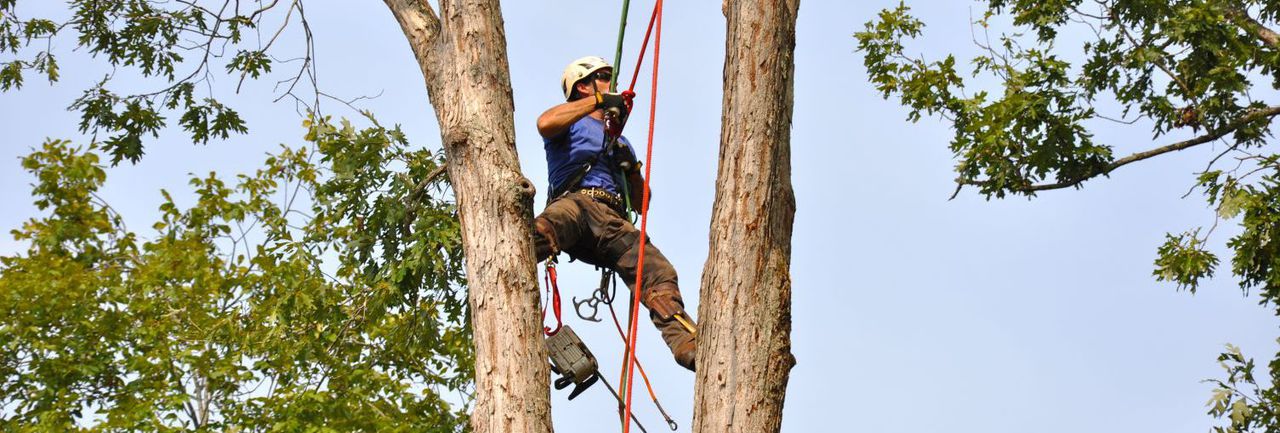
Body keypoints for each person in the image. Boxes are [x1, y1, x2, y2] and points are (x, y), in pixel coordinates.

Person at [532, 56, 697, 371]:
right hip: (577, 203)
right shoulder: (570, 121)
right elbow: (544, 123)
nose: (613, 83)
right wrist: (597, 101)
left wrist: (631, 169)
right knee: (551, 224)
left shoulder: (621, 140)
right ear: (584, 85)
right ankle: (514, 259)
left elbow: (642, 204)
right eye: (605, 77)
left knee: (657, 271)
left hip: (613, 221)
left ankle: (687, 344)